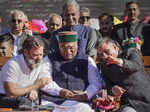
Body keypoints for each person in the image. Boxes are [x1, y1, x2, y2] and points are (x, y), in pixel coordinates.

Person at [41, 31, 103, 112]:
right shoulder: (48, 59)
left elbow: (96, 83)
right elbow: (44, 81)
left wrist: (86, 94)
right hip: (53, 101)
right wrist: (59, 91)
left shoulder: (87, 60)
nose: (67, 51)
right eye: (63, 47)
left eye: (71, 48)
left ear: (77, 45)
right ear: (58, 46)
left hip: (78, 103)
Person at [97, 37, 150, 112]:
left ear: (115, 47)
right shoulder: (104, 66)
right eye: (101, 54)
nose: (104, 56)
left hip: (145, 96)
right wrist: (113, 89)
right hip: (129, 103)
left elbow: (136, 65)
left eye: (106, 51)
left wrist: (119, 61)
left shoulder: (130, 52)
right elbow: (108, 85)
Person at [0, 36, 52, 109]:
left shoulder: (41, 62)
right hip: (5, 98)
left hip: (25, 97)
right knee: (24, 102)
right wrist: (35, 86)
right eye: (35, 55)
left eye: (41, 55)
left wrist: (34, 90)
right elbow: (11, 92)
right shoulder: (13, 64)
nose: (39, 59)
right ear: (25, 52)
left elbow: (45, 80)